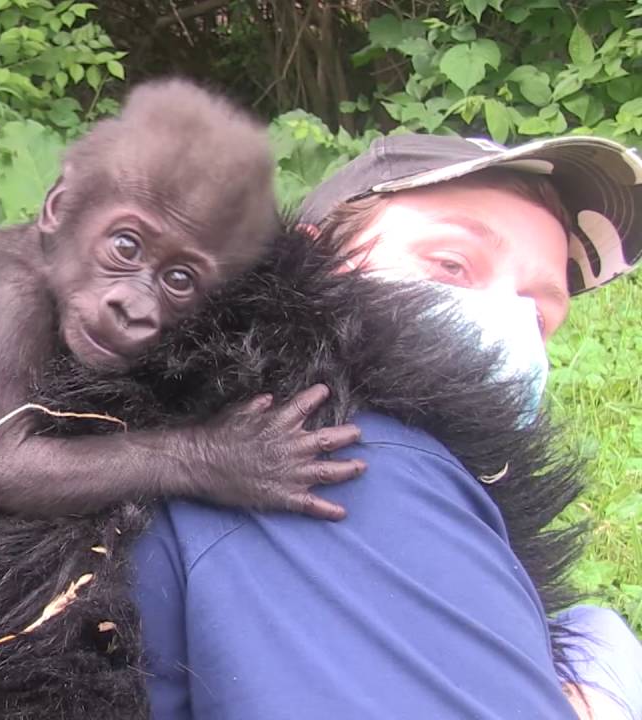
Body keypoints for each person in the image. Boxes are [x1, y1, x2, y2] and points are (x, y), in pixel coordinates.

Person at [131, 133, 642, 719]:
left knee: (594, 632)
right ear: (316, 257)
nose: (508, 318)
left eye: (538, 309)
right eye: (451, 264)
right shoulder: (342, 451)